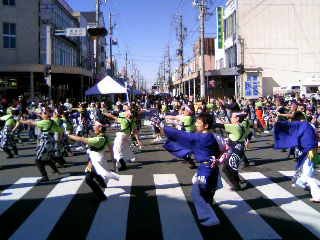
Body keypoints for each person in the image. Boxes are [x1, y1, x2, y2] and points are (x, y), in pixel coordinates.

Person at [163, 113, 227, 226]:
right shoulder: (216, 136)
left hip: (205, 169)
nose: (196, 124)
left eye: (198, 122)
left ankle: (211, 217)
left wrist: (164, 128)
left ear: (206, 125)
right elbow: (225, 150)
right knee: (205, 190)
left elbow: (181, 135)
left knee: (196, 194)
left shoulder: (200, 137)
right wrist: (218, 160)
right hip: (212, 168)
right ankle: (208, 210)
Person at [274, 111, 320, 202]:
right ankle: (302, 183)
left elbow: (289, 125)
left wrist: (278, 124)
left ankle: (315, 193)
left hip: (310, 153)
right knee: (306, 171)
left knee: (308, 174)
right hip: (312, 152)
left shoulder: (302, 124)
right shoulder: (310, 125)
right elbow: (317, 135)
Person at [68, 119, 119, 201]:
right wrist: (113, 158)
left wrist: (70, 136)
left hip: (95, 160)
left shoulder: (98, 140)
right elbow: (110, 148)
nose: (93, 127)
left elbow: (82, 140)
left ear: (99, 128)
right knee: (96, 172)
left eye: (95, 125)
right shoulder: (106, 136)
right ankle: (102, 184)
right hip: (100, 158)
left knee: (88, 179)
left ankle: (101, 196)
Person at [213, 111, 251, 191]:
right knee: (232, 167)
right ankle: (236, 180)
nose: (230, 118)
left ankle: (236, 185)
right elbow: (249, 133)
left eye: (232, 117)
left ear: (237, 119)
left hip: (234, 151)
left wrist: (208, 124)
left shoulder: (235, 127)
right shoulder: (243, 126)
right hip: (239, 149)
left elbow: (219, 125)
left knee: (226, 168)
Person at [19, 108, 60, 183]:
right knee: (46, 158)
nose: (42, 114)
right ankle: (55, 170)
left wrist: (22, 121)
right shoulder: (53, 121)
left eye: (44, 113)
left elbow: (31, 123)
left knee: (38, 160)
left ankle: (44, 176)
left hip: (45, 142)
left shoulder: (45, 122)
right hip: (50, 141)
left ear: (47, 115)